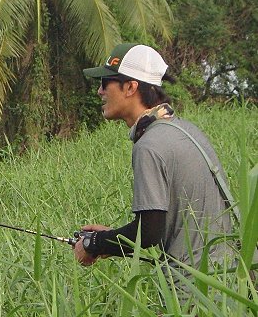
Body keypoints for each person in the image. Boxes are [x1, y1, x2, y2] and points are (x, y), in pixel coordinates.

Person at [73, 42, 236, 273]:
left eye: (105, 83)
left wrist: (92, 244)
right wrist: (110, 239)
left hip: (193, 290)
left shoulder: (149, 145)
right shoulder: (185, 130)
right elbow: (168, 228)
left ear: (130, 87)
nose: (100, 91)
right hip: (228, 276)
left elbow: (148, 233)